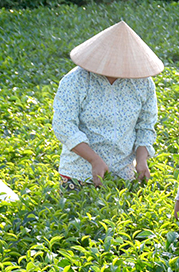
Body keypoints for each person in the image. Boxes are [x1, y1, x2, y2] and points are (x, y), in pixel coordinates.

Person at [52, 20, 162, 189]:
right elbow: (64, 126)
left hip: (124, 174)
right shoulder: (76, 81)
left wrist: (141, 160)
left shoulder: (143, 83)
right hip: (79, 173)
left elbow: (146, 126)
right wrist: (94, 160)